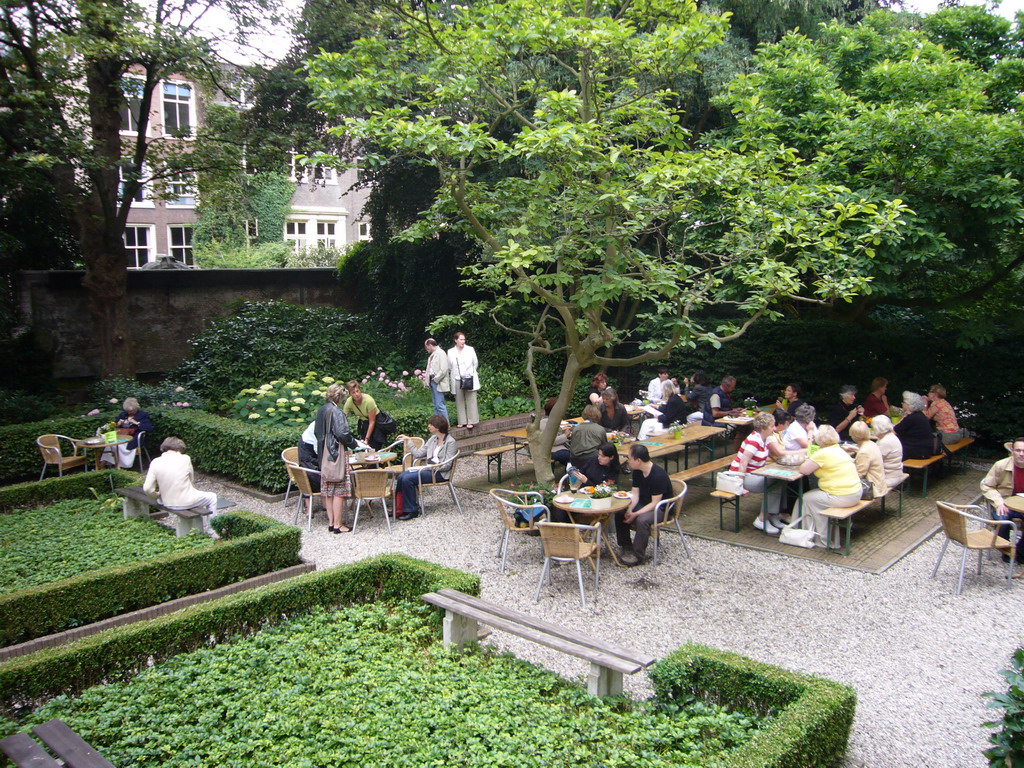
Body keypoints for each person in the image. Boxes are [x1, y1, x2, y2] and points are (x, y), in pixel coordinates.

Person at [796, 425, 863, 547]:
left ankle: (814, 537)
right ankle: (813, 533)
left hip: (842, 496)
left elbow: (804, 470)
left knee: (806, 498)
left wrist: (809, 459)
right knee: (814, 496)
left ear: (820, 440)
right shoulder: (840, 450)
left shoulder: (822, 453)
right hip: (856, 492)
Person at [615, 443, 674, 566]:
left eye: (629, 458)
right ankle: (626, 546)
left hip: (661, 508)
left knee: (642, 520)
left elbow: (655, 503)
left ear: (638, 460)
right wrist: (629, 510)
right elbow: (635, 495)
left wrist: (635, 514)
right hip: (643, 503)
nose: (628, 461)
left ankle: (638, 555)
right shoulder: (637, 471)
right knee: (620, 512)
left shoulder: (658, 475)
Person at [143, 437, 218, 529]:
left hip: (166, 502)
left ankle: (204, 525)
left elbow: (147, 488)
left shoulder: (155, 462)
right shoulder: (185, 459)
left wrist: (156, 495)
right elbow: (191, 480)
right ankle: (212, 530)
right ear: (179, 449)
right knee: (212, 497)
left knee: (199, 497)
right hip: (185, 501)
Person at [729, 412, 785, 534]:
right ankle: (761, 519)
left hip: (755, 474)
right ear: (763, 428)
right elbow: (743, 463)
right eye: (771, 426)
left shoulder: (767, 438)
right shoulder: (754, 441)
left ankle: (771, 515)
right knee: (773, 481)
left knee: (779, 482)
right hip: (743, 476)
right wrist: (740, 485)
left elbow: (775, 454)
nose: (774, 428)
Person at [394, 415, 458, 520]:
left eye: (431, 424)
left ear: (437, 427)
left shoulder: (451, 442)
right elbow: (418, 454)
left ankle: (412, 510)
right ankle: (400, 508)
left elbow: (447, 465)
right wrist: (409, 441)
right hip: (430, 469)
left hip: (439, 473)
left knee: (408, 478)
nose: (428, 426)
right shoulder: (433, 439)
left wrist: (432, 467)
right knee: (402, 476)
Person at [315, 383, 358, 534]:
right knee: (339, 489)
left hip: (324, 455)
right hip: (336, 454)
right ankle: (339, 525)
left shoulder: (321, 410)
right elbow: (342, 434)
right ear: (339, 397)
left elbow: (317, 432)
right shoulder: (336, 412)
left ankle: (331, 522)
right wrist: (354, 444)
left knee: (328, 489)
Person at [980, 438, 1024, 577]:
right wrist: (998, 502)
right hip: (1005, 503)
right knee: (1003, 521)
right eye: (1018, 450)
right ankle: (1005, 551)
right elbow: (986, 485)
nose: (1021, 454)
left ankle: (1019, 553)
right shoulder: (1000, 465)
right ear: (1012, 451)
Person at [102, 397, 153, 469]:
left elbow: (149, 428)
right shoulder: (123, 415)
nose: (129, 413)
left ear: (136, 409)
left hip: (133, 439)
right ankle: (103, 465)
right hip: (121, 436)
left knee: (118, 446)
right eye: (128, 411)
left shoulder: (143, 415)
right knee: (109, 445)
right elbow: (113, 426)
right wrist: (118, 423)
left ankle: (120, 466)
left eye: (131, 411)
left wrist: (137, 423)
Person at [448, 331, 480, 429]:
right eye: (461, 339)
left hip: (469, 377)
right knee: (459, 400)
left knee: (471, 399)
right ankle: (462, 421)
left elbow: (475, 363)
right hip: (457, 378)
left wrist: (469, 373)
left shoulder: (470, 349)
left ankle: (472, 420)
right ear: (455, 340)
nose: (463, 341)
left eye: (464, 339)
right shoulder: (450, 351)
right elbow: (450, 366)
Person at [343, 380, 385, 451]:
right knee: (363, 448)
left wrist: (367, 439)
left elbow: (372, 422)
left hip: (376, 424)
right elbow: (343, 418)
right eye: (353, 392)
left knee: (374, 448)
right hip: (364, 423)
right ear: (350, 394)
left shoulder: (369, 401)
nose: (356, 394)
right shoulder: (349, 401)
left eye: (357, 391)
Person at [894, 391, 935, 460]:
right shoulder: (919, 415)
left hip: (919, 452)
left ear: (908, 405)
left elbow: (895, 430)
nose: (902, 404)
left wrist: (904, 416)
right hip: (925, 450)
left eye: (903, 402)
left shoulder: (912, 418)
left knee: (892, 449)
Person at [850, 421, 886, 499]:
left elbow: (860, 474)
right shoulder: (872, 444)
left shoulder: (863, 452)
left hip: (872, 488)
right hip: (879, 483)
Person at [871, 415, 905, 489]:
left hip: (888, 478)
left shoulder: (885, 441)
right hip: (895, 474)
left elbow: (874, 460)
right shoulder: (890, 436)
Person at [423, 337, 451, 419]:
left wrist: (435, 379)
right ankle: (438, 424)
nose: (426, 349)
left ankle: (445, 424)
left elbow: (444, 369)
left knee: (439, 404)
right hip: (433, 381)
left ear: (430, 345)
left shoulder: (441, 353)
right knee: (435, 404)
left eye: (426, 347)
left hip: (437, 382)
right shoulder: (433, 354)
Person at [298, 420, 320, 492]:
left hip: (314, 446)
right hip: (306, 447)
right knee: (309, 475)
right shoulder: (319, 426)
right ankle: (308, 500)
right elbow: (317, 448)